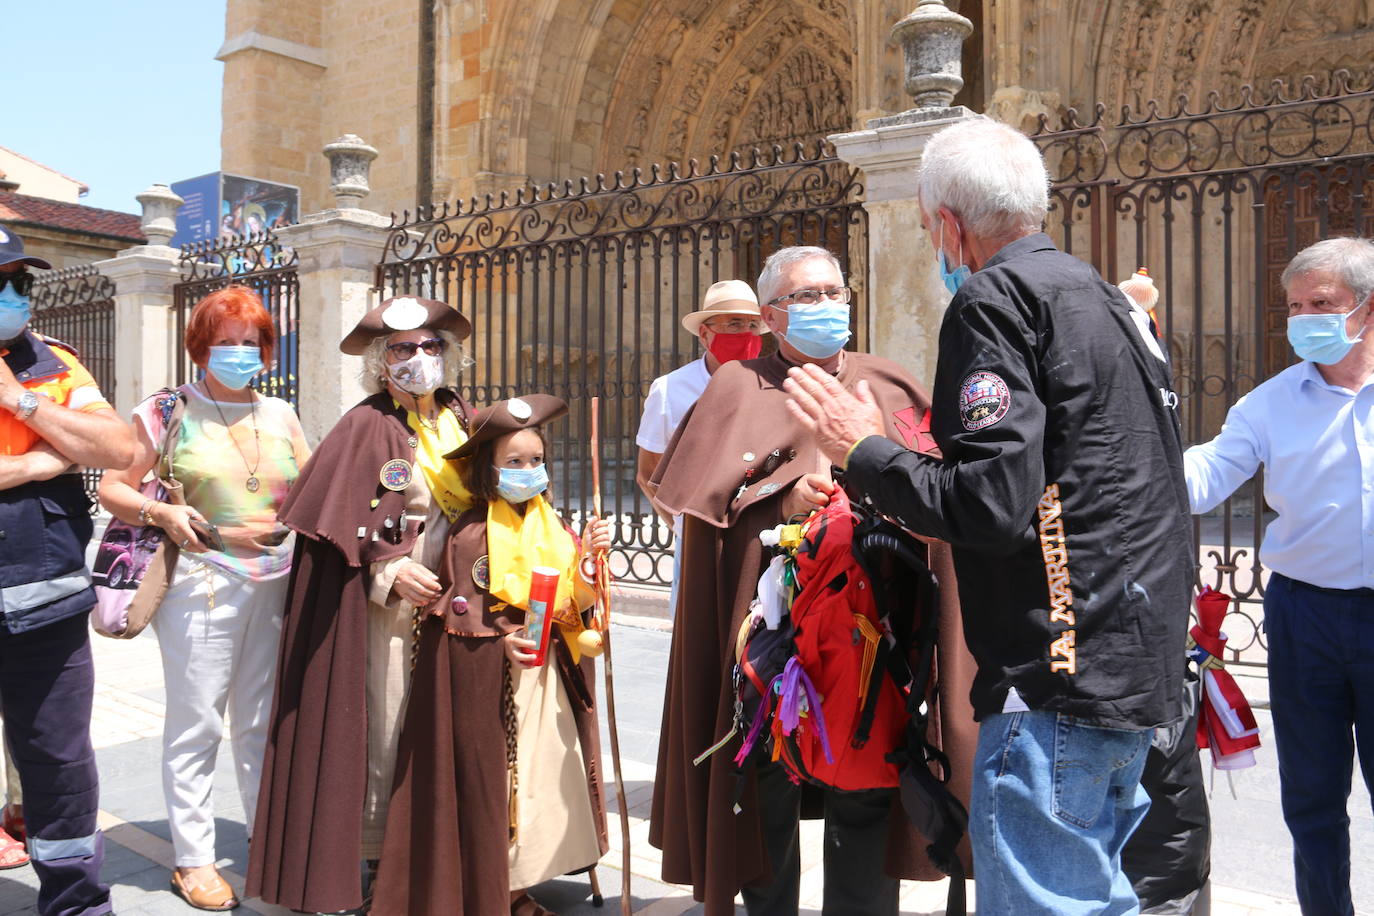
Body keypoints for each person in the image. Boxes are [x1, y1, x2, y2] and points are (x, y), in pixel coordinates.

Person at [783, 116, 1194, 915]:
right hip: (1131, 671)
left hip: (1056, 687)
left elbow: (990, 504)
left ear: (947, 224)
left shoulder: (995, 303)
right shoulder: (1103, 300)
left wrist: (861, 450)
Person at [647, 245, 976, 915]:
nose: (827, 306)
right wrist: (780, 500)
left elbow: (940, 498)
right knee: (766, 790)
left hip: (870, 640)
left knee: (868, 788)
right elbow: (705, 512)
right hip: (773, 647)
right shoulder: (737, 387)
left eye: (834, 292)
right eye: (807, 297)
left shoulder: (888, 381)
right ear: (771, 315)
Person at [247, 296, 475, 914]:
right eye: (403, 350)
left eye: (431, 348)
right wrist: (392, 570)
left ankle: (447, 853)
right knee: (388, 729)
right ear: (382, 363)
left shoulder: (463, 418)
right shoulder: (364, 425)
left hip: (465, 604)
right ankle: (380, 865)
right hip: (393, 615)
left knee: (454, 731)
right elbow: (340, 525)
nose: (420, 359)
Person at [98, 285, 310, 910]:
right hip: (201, 580)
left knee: (260, 723)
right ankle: (192, 859)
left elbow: (313, 488)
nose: (240, 353)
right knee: (196, 724)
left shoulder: (281, 416)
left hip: (276, 582)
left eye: (252, 343)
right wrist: (164, 512)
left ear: (268, 351)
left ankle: (268, 840)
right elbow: (114, 487)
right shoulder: (169, 411)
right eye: (227, 342)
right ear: (201, 347)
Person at [1183, 236, 1374, 916]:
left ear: (1367, 309)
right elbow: (1207, 473)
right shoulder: (1270, 403)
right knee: (1313, 800)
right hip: (1304, 617)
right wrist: (1128, 464)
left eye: (1321, 303)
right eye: (1294, 306)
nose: (1304, 319)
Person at [372, 394, 609, 916]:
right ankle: (501, 887)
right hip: (503, 685)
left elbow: (574, 600)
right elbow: (461, 614)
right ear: (488, 471)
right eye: (514, 463)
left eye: (535, 461)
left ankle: (530, 876)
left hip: (549, 679)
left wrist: (590, 564)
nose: (528, 471)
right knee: (504, 784)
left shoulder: (555, 526)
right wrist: (500, 639)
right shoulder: (472, 534)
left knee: (547, 780)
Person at [0, 225, 135, 915]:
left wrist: (26, 417)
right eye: (3, 281)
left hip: (45, 612)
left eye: (21, 281)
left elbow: (116, 447)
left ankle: (78, 904)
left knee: (60, 768)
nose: (15, 294)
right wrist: (60, 451)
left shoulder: (51, 365)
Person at [635, 279, 767, 613]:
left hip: (761, 539)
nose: (746, 333)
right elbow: (648, 473)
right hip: (698, 544)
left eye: (753, 324)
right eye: (734, 324)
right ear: (705, 334)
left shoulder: (774, 383)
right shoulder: (670, 390)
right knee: (695, 643)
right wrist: (681, 527)